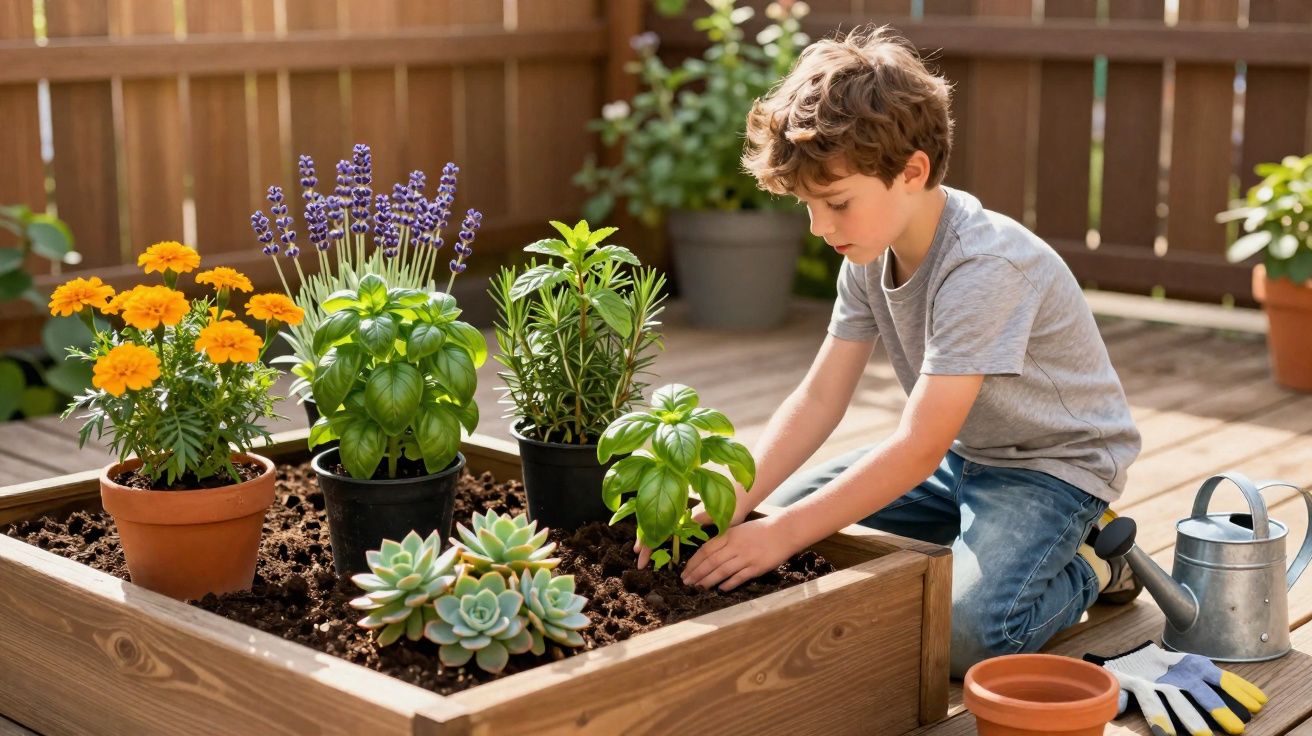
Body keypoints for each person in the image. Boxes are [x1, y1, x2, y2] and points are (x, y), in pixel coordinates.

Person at [647, 25, 1143, 676]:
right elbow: (820, 398)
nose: (819, 227)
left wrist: (783, 534)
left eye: (835, 202)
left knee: (962, 636)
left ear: (912, 171)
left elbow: (916, 446)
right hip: (964, 456)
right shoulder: (867, 251)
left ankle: (1091, 564)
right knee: (780, 518)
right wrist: (735, 499)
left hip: (1053, 469)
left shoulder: (984, 267)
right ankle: (985, 541)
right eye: (807, 206)